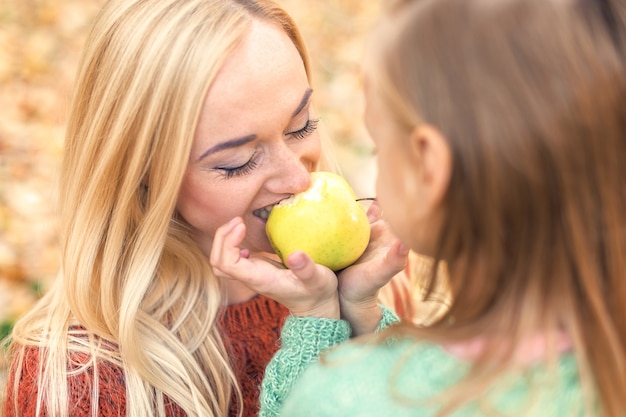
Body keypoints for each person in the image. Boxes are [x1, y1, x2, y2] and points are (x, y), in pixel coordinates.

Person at [211, 0, 626, 416]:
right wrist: (360, 313)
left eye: (379, 148)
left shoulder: (339, 397)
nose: (301, 181)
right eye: (236, 161)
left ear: (429, 166)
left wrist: (316, 322)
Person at [1, 0, 409, 416]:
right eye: (238, 161)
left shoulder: (375, 280)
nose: (298, 180)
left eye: (300, 125)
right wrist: (316, 330)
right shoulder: (78, 384)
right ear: (143, 175)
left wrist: (359, 318)